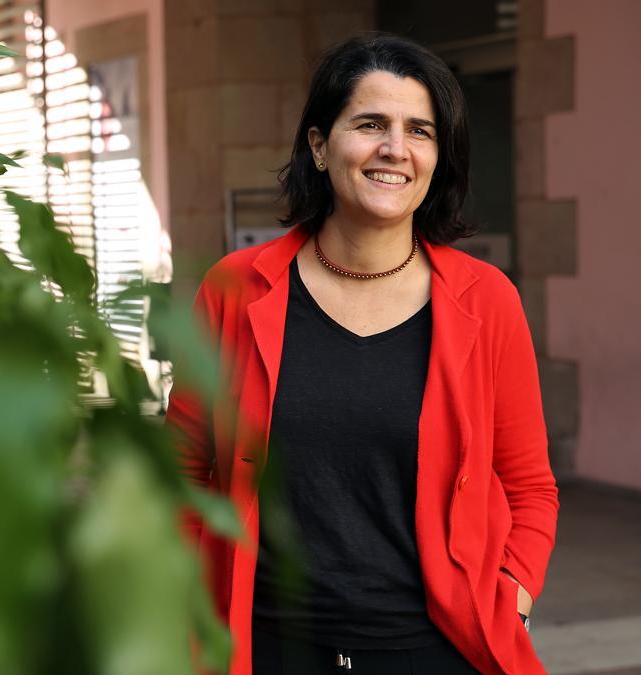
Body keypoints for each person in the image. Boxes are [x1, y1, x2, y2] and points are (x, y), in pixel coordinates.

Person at [166, 34, 558, 674]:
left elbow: (529, 485)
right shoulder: (236, 290)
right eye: (370, 124)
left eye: (420, 131)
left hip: (436, 650)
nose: (395, 149)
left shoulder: (486, 301)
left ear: (437, 157)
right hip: (268, 649)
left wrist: (512, 593)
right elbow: (182, 473)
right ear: (319, 146)